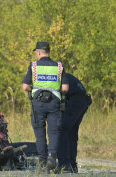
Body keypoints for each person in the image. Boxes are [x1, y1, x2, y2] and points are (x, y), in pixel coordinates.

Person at [22, 41, 69, 171]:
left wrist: (34, 88)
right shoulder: (59, 66)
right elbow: (65, 88)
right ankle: (52, 158)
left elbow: (25, 86)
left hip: (38, 103)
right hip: (55, 103)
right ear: (48, 51)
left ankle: (42, 162)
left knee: (40, 132)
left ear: (38, 52)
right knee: (54, 131)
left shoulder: (34, 66)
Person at [55, 73, 91, 173]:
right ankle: (72, 165)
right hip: (82, 102)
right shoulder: (65, 75)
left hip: (74, 101)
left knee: (63, 130)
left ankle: (64, 164)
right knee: (71, 133)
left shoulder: (55, 76)